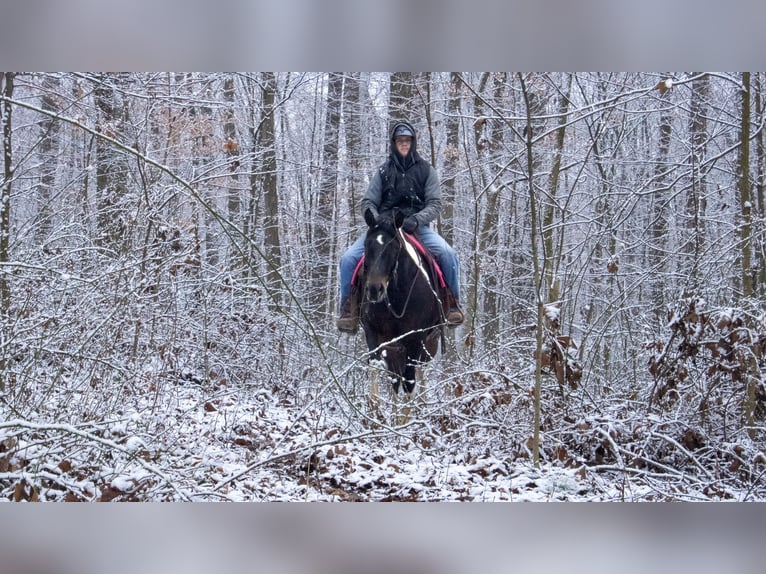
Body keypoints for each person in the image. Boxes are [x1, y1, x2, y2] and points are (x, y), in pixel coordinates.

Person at [336, 120, 465, 333]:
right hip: (384, 229)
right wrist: (378, 221)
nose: (403, 144)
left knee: (448, 254)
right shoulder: (383, 171)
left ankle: (451, 304)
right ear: (394, 143)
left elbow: (435, 204)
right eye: (399, 141)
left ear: (413, 143)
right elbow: (368, 201)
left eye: (407, 141)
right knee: (348, 259)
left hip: (415, 227)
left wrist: (416, 219)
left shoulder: (426, 171)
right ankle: (349, 310)